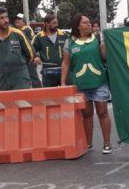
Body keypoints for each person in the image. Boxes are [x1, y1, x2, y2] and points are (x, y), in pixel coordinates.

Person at [61, 14, 113, 154]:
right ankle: (88, 143)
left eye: (89, 22)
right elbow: (66, 63)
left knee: (102, 112)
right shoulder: (70, 42)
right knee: (87, 114)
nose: (89, 24)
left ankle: (107, 143)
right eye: (85, 23)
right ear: (77, 26)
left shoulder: (98, 38)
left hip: (99, 82)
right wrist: (63, 81)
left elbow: (105, 56)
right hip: (80, 84)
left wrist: (103, 43)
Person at [0, 7, 35, 91]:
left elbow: (31, 54)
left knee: (23, 103)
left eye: (6, 17)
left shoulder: (18, 34)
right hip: (1, 81)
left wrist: (21, 63)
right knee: (4, 103)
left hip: (20, 80)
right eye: (2, 18)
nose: (6, 20)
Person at [32, 13, 69, 87]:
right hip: (48, 74)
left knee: (67, 96)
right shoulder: (39, 37)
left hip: (64, 72)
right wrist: (35, 57)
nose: (56, 25)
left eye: (57, 22)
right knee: (49, 97)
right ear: (47, 24)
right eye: (54, 23)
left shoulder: (64, 35)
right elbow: (30, 49)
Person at [13, 13, 41, 88]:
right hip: (22, 59)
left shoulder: (26, 29)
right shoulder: (16, 31)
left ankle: (40, 93)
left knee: (33, 78)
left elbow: (30, 44)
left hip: (29, 58)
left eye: (19, 19)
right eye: (16, 19)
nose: (17, 20)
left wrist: (35, 56)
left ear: (24, 21)